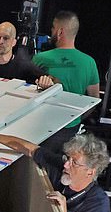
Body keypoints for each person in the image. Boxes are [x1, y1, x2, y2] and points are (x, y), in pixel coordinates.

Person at [32, 11, 100, 150]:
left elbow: (28, 92)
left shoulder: (41, 58)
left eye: (52, 28)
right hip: (70, 129)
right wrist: (76, 119)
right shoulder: (89, 63)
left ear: (60, 31)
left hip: (41, 127)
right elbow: (94, 100)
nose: (51, 31)